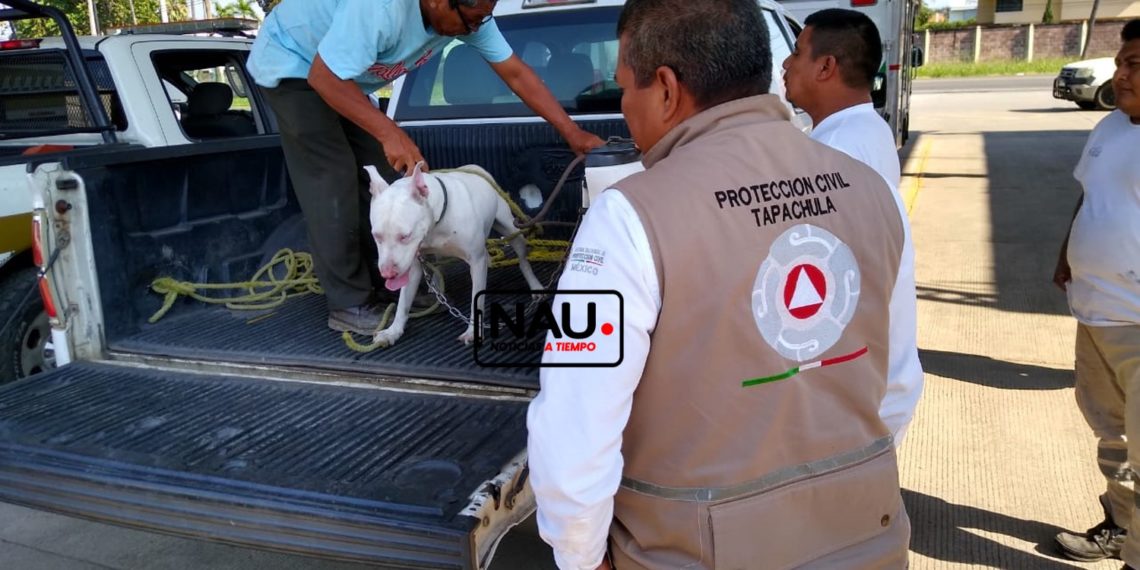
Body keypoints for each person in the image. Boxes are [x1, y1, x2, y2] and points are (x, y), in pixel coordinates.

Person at [525, 0, 914, 568]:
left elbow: (573, 430)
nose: (623, 108)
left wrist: (579, 554)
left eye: (623, 88)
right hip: (866, 537)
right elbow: (900, 382)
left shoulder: (625, 219)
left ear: (665, 88)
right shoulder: (873, 190)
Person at [246, 0, 605, 335]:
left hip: (343, 75)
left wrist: (572, 132)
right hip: (296, 64)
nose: (476, 27)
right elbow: (324, 77)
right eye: (472, 19)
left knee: (389, 182)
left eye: (483, 18)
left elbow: (516, 74)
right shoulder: (381, 10)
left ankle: (388, 281)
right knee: (333, 181)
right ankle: (349, 302)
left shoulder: (471, 12)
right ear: (437, 1)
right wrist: (390, 131)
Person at [781, 7, 924, 448]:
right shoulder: (864, 131)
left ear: (826, 67)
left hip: (856, 407)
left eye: (797, 52)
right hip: (876, 389)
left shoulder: (836, 157)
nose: (785, 64)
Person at [1052, 18, 1140, 567]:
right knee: (1111, 435)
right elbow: (1090, 198)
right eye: (1122, 61)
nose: (1120, 72)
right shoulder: (1111, 127)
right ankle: (1121, 526)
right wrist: (1066, 252)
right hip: (1095, 313)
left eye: (1134, 64)